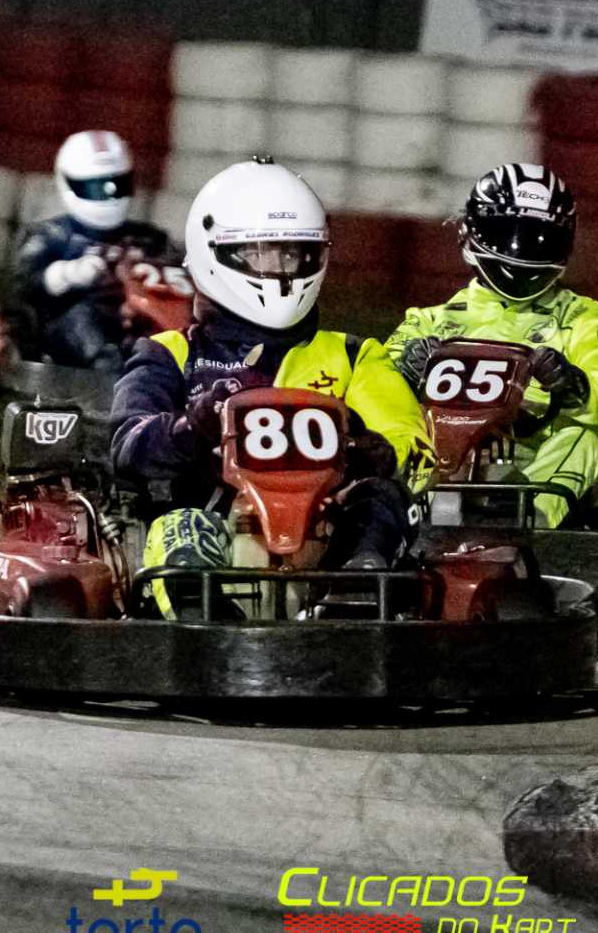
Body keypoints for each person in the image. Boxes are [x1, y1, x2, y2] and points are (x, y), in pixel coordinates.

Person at [109, 158, 433, 605]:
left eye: (292, 254)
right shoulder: (171, 353)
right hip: (211, 527)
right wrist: (192, 428)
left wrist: (371, 449)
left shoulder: (354, 356)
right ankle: (201, 614)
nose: (280, 270)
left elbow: (414, 451)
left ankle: (352, 598)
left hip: (325, 538)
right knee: (180, 525)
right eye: (260, 254)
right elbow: (128, 447)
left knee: (383, 497)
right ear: (214, 254)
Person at [384, 163, 598, 527]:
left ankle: (524, 519)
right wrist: (404, 371)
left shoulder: (582, 317)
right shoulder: (429, 321)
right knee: (392, 429)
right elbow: (370, 391)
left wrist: (572, 385)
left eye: (540, 239)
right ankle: (404, 511)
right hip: (439, 460)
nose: (522, 253)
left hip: (531, 463)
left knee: (584, 439)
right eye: (509, 234)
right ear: (472, 232)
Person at [11, 130, 171, 370]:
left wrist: (147, 267)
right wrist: (68, 274)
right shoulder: (51, 235)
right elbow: (23, 284)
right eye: (96, 188)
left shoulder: (148, 238)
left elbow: (179, 275)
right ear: (69, 183)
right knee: (81, 316)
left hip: (135, 316)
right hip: (69, 327)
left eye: (117, 186)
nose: (109, 196)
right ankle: (108, 365)